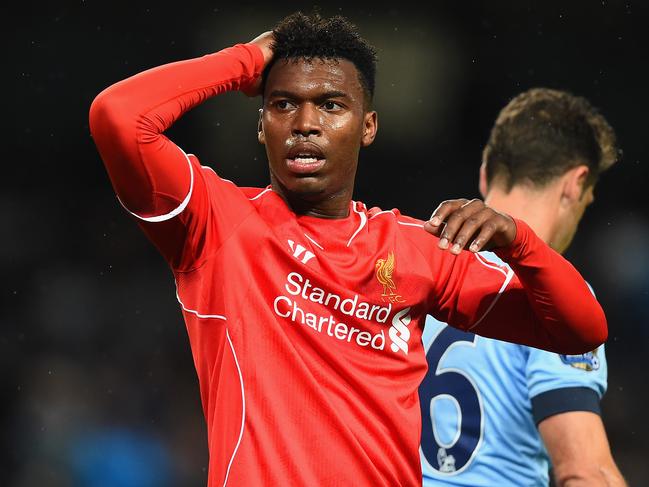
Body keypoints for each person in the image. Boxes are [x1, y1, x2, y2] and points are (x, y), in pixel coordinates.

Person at [89, 12, 606, 486]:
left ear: (368, 127)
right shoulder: (216, 223)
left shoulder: (415, 247)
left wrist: (521, 243)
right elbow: (119, 116)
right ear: (261, 122)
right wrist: (243, 61)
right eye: (284, 104)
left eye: (331, 105)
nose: (305, 124)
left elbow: (581, 331)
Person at [420, 88, 626, 486]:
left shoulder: (416, 262)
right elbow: (584, 472)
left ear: (484, 171)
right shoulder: (554, 300)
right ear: (575, 184)